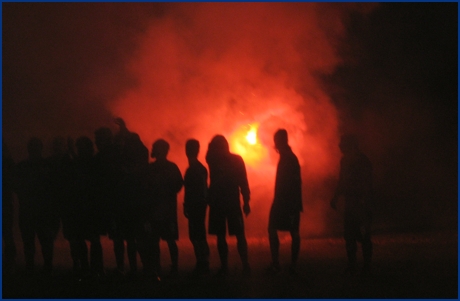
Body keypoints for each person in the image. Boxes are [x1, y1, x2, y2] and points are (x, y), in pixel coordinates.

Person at [205, 135, 251, 276]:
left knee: (221, 236)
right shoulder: (236, 160)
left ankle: (225, 266)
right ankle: (245, 265)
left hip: (217, 203)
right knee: (239, 235)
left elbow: (208, 154)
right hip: (232, 202)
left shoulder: (213, 160)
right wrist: (246, 201)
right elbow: (243, 181)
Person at [14, 137, 60, 275]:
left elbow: (16, 187)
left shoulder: (22, 166)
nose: (34, 149)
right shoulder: (48, 165)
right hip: (40, 210)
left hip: (34, 210)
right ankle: (45, 267)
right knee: (42, 241)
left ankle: (33, 267)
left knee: (33, 241)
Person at [330, 134, 373, 276]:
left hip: (360, 204)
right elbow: (341, 180)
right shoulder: (345, 161)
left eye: (343, 144)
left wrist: (364, 201)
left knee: (364, 235)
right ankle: (352, 265)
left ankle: (367, 266)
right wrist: (336, 197)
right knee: (349, 236)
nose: (340, 146)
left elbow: (367, 183)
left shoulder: (363, 161)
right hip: (350, 204)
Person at [143, 139, 183, 277]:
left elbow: (146, 189)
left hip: (158, 211)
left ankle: (158, 267)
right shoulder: (171, 167)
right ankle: (172, 267)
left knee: (156, 241)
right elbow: (178, 185)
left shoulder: (151, 168)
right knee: (166, 240)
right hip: (165, 210)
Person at [267, 129, 303, 275]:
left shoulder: (288, 158)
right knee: (288, 231)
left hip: (286, 201)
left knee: (289, 231)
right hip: (287, 201)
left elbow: (294, 182)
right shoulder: (288, 157)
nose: (274, 144)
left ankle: (282, 264)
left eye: (276, 140)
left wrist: (290, 202)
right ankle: (287, 265)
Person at [183, 139, 210, 275]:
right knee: (198, 234)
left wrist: (187, 204)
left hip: (196, 205)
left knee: (196, 235)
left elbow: (193, 190)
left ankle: (202, 262)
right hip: (199, 205)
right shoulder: (200, 169)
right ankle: (203, 261)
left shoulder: (193, 169)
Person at [2, 140, 16, 275]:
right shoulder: (8, 163)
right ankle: (9, 264)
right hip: (5, 202)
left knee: (7, 233)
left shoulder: (7, 164)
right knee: (7, 233)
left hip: (5, 203)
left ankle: (9, 263)